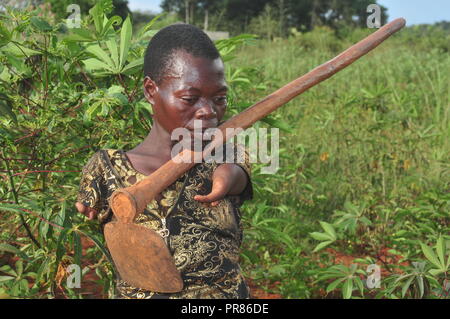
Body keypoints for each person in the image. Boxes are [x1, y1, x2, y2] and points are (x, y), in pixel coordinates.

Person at [75, 23, 253, 299]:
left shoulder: (225, 154)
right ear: (150, 90)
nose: (208, 111)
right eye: (190, 98)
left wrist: (224, 180)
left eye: (219, 98)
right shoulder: (106, 166)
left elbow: (234, 174)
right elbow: (91, 208)